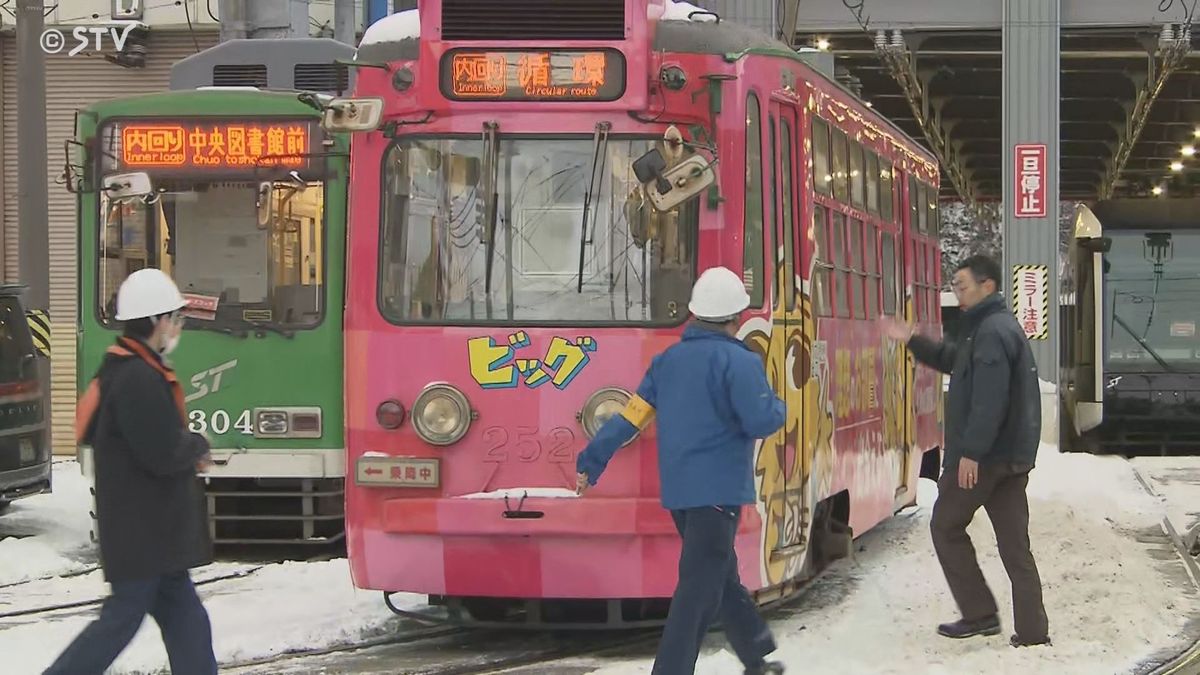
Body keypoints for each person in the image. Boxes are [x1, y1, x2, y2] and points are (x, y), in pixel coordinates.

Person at [575, 266, 787, 675]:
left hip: (681, 496)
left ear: (694, 313)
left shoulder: (667, 361)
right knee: (697, 591)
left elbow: (629, 418)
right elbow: (762, 420)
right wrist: (779, 406)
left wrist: (592, 460)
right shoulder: (739, 362)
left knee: (720, 574)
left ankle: (755, 653)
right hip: (719, 493)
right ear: (737, 316)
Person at [46, 268, 217, 675]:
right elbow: (161, 452)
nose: (177, 328)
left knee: (187, 622)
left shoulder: (128, 369)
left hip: (152, 533)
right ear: (156, 321)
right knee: (120, 623)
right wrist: (197, 445)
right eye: (174, 319)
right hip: (142, 533)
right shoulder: (137, 378)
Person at [880, 254, 1050, 649]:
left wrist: (970, 453)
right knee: (1015, 546)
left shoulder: (990, 332)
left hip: (987, 459)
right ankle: (1032, 631)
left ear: (987, 286)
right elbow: (951, 360)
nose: (957, 293)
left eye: (962, 285)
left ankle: (979, 614)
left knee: (945, 525)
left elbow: (990, 400)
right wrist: (911, 339)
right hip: (1010, 457)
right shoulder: (991, 327)